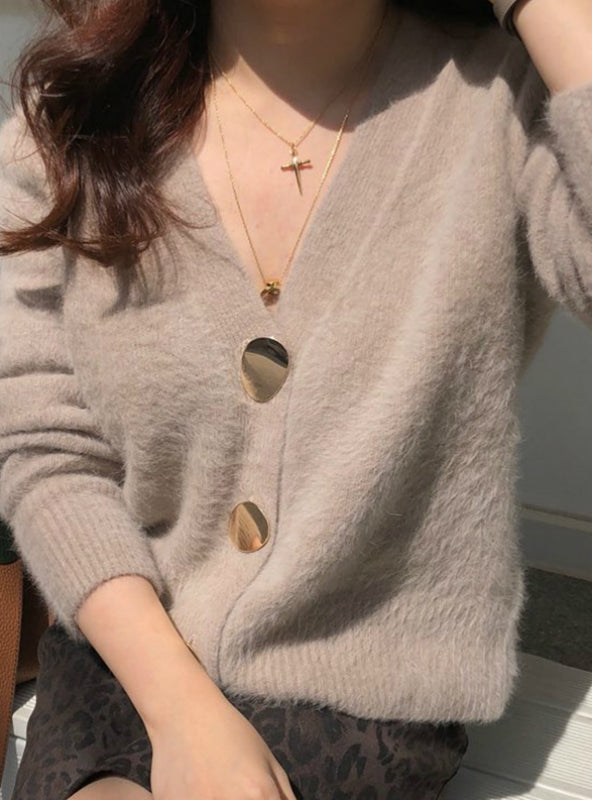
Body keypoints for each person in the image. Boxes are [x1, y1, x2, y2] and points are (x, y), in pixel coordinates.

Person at [1, 0, 591, 798]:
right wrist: (180, 708)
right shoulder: (73, 114)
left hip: (357, 690)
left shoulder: (502, 100)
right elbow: (45, 449)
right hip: (125, 647)